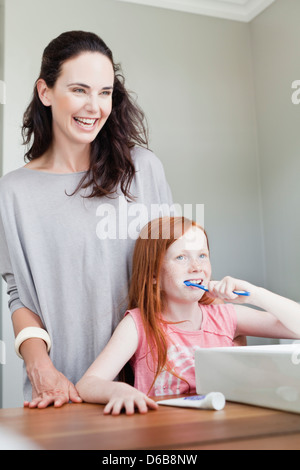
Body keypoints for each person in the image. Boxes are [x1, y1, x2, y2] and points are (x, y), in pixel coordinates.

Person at [0, 31, 173, 408]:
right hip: (63, 394)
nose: (94, 106)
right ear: (45, 92)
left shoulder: (143, 170)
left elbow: (174, 269)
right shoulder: (12, 192)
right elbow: (19, 294)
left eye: (105, 92)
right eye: (79, 89)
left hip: (152, 386)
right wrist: (39, 366)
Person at [75, 216, 300, 415]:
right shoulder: (138, 325)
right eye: (181, 258)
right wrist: (119, 391)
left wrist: (254, 295)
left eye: (202, 256)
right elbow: (88, 384)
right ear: (154, 275)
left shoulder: (226, 317)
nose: (196, 267)